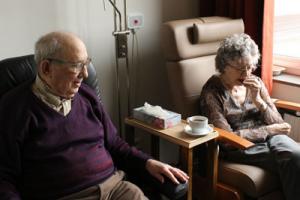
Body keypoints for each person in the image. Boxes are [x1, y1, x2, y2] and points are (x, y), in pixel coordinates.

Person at [0, 31, 189, 200]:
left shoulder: (86, 95)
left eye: (86, 63)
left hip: (116, 189)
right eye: (76, 66)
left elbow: (115, 144)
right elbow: (4, 177)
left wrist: (148, 162)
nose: (84, 73)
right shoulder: (14, 108)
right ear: (46, 68)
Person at [199, 33, 300, 200]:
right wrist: (268, 130)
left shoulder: (256, 83)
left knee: (294, 157)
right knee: (293, 158)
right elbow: (227, 139)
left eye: (250, 67)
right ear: (224, 65)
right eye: (240, 68)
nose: (246, 73)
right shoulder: (212, 93)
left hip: (271, 140)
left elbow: (280, 125)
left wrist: (259, 101)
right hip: (241, 147)